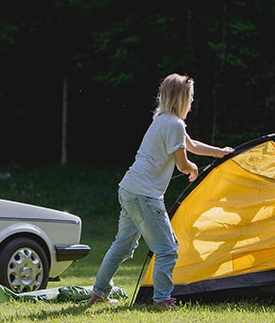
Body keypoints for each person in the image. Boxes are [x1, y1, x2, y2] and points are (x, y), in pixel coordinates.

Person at [88, 73, 234, 308]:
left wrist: (220, 152)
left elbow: (191, 144)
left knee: (122, 245)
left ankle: (99, 291)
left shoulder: (162, 120)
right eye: (190, 97)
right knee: (167, 249)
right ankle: (162, 299)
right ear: (181, 99)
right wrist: (193, 168)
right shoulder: (174, 125)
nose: (192, 102)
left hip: (128, 189)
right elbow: (182, 164)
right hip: (145, 196)